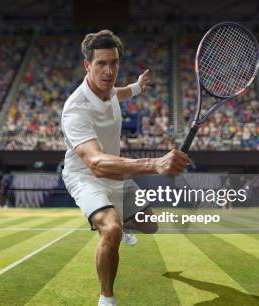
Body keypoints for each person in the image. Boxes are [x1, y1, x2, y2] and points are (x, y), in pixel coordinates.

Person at [61, 30, 191, 306]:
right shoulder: (75, 109)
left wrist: (138, 86)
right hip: (86, 176)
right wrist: (156, 164)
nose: (109, 71)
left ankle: (123, 221)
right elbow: (95, 163)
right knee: (111, 230)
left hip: (115, 174)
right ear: (87, 65)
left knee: (151, 226)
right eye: (101, 64)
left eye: (114, 63)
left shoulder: (109, 91)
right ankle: (106, 298)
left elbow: (117, 92)